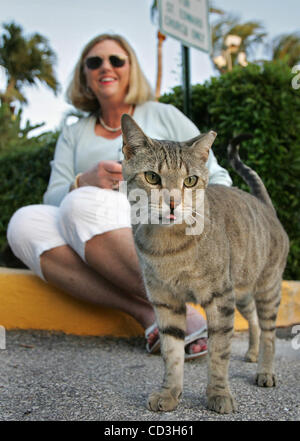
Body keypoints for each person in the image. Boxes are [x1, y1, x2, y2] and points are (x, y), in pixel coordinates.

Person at [7, 33, 232, 359]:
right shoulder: (73, 133)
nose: (105, 67)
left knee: (79, 203)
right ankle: (148, 314)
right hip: (88, 227)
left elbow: (217, 176)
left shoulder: (161, 114)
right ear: (84, 74)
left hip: (164, 225)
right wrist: (83, 180)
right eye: (94, 62)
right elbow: (51, 199)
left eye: (116, 60)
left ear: (131, 68)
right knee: (23, 222)